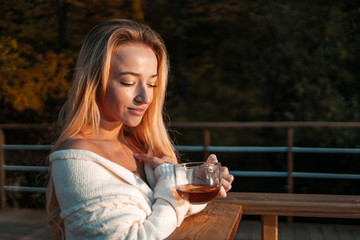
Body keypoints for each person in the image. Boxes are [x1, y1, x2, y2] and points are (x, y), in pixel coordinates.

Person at [46, 19, 234, 240]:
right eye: (127, 82)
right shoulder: (76, 160)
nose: (145, 98)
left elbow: (171, 210)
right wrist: (172, 185)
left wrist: (193, 181)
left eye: (152, 84)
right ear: (94, 83)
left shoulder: (138, 145)